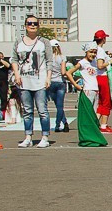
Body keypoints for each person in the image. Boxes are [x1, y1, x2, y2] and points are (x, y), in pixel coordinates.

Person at [11, 14, 51, 148]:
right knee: (27, 111)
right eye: (29, 23)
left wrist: (48, 77)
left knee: (42, 110)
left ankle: (45, 137)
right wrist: (17, 74)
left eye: (35, 23)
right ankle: (28, 137)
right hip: (24, 81)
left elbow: (49, 61)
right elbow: (14, 59)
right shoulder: (18, 42)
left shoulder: (44, 42)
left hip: (40, 81)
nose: (32, 25)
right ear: (25, 26)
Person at [67, 45, 101, 118]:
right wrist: (75, 85)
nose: (93, 54)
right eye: (91, 52)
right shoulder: (82, 62)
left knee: (94, 113)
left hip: (96, 89)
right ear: (86, 52)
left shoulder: (95, 62)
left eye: (95, 52)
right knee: (87, 112)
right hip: (88, 89)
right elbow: (68, 73)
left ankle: (93, 125)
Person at [92, 29, 112, 133]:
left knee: (101, 102)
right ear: (103, 39)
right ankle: (103, 125)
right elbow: (100, 65)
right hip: (102, 76)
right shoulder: (100, 50)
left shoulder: (93, 49)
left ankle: (95, 122)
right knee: (106, 101)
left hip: (96, 77)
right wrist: (110, 61)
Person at [48, 40, 70, 132]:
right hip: (60, 82)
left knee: (57, 105)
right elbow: (63, 72)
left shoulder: (48, 58)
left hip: (51, 82)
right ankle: (62, 123)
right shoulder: (62, 57)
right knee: (60, 106)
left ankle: (59, 125)